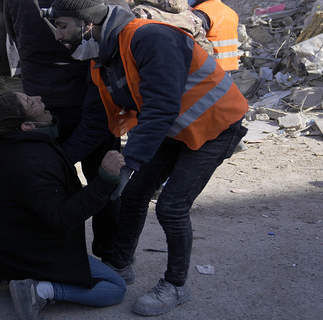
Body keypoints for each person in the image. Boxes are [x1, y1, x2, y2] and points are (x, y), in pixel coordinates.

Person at [49, 0, 249, 316]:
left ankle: (176, 285)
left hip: (216, 125)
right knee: (132, 197)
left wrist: (130, 161)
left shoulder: (150, 37)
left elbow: (162, 106)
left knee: (171, 207)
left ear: (86, 24)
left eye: (61, 25)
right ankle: (121, 265)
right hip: (172, 129)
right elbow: (95, 121)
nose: (57, 35)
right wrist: (56, 160)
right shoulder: (103, 58)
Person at [0, 91, 127, 319]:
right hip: (28, 251)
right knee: (116, 288)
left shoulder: (4, 140)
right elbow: (61, 217)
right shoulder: (32, 160)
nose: (38, 98)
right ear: (27, 125)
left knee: (9, 252)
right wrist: (105, 179)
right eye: (30, 102)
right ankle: (39, 290)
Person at [2, 0, 130, 264]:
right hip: (89, 94)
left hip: (42, 100)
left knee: (47, 183)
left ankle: (52, 254)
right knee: (104, 178)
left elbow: (14, 34)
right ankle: (111, 255)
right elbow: (120, 26)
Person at [191, 0, 240, 71]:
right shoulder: (231, 12)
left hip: (210, 67)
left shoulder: (201, 12)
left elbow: (189, 40)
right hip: (228, 66)